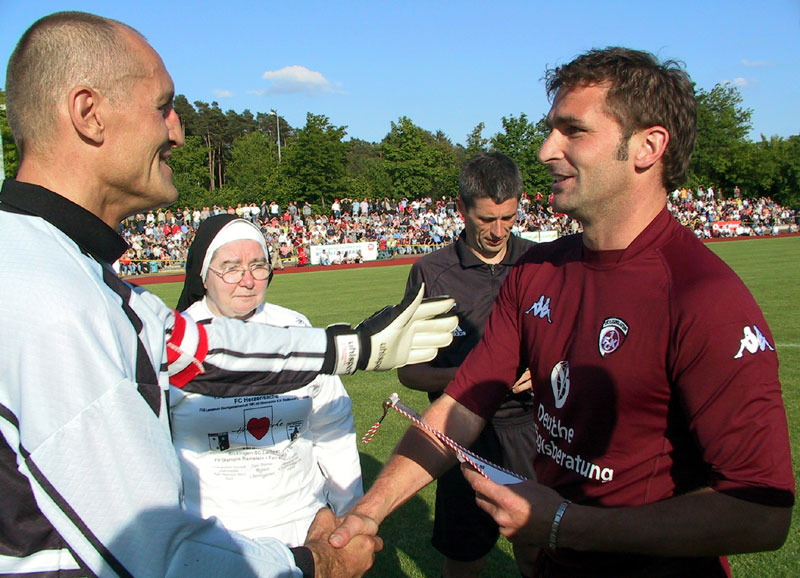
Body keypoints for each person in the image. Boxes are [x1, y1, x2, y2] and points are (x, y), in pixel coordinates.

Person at [0, 11, 457, 578]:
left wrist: (360, 349)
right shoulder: (50, 298)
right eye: (163, 105)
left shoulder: (68, 269)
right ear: (89, 113)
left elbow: (202, 350)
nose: (177, 130)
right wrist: (314, 565)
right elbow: (154, 555)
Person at [330, 47, 795, 577]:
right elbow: (460, 405)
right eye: (551, 129)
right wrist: (364, 516)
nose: (548, 149)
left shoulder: (705, 296)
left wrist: (565, 524)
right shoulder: (537, 273)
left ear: (648, 145)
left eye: (573, 130)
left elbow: (761, 513)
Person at [173, 215, 363, 547]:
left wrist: (349, 510)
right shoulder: (175, 342)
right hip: (211, 531)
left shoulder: (296, 328)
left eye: (258, 266)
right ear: (204, 276)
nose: (247, 281)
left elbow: (332, 423)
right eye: (231, 268)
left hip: (303, 523)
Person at [397, 151, 536, 577]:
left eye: (509, 219)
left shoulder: (539, 262)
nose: (499, 232)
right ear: (461, 209)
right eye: (486, 220)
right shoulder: (431, 272)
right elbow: (409, 372)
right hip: (460, 436)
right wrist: (479, 378)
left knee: (539, 547)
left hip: (532, 432)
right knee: (463, 556)